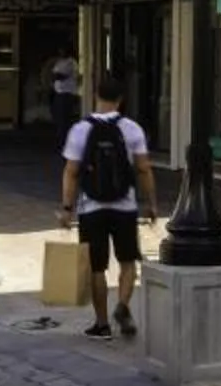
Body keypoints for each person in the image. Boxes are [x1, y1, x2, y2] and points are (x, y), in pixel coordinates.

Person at [60, 70, 160, 339]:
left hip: (91, 208)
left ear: (96, 96)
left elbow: (71, 171)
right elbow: (144, 169)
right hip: (124, 206)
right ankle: (123, 305)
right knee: (128, 262)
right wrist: (151, 204)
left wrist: (67, 209)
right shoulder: (132, 129)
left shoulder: (81, 129)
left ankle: (101, 324)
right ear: (121, 100)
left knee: (97, 267)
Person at [49, 48, 82, 141]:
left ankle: (65, 138)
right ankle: (60, 137)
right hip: (58, 91)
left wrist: (55, 76)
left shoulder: (71, 62)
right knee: (58, 116)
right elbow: (53, 74)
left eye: (63, 50)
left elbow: (61, 76)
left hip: (67, 92)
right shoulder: (60, 62)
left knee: (65, 117)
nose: (61, 52)